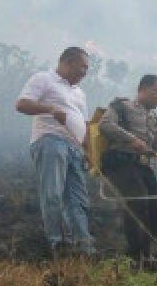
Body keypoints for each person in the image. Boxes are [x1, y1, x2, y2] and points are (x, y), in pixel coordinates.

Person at [15, 47, 96, 257]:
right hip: (51, 140)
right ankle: (58, 243)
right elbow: (22, 104)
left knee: (77, 198)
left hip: (75, 148)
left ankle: (83, 245)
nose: (84, 72)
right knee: (53, 194)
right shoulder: (43, 79)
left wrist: (88, 151)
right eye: (83, 67)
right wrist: (50, 109)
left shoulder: (79, 92)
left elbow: (85, 124)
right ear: (68, 62)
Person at [99, 74, 157, 266]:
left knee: (155, 207)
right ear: (143, 89)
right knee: (137, 203)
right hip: (120, 163)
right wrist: (131, 140)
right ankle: (135, 256)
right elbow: (105, 125)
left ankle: (146, 255)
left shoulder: (154, 118)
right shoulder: (121, 106)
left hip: (142, 165)